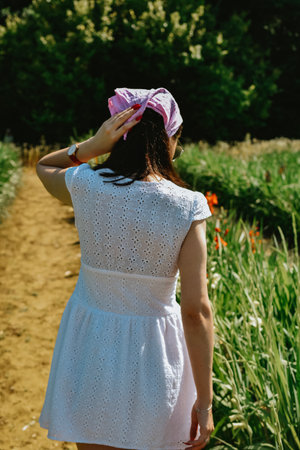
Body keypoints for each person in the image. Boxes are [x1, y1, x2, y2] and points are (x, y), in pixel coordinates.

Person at [36, 87, 215, 450]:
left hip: (90, 349)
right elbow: (196, 312)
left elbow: (44, 166)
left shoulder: (84, 184)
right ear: (172, 137)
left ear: (117, 133)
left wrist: (90, 146)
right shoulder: (188, 206)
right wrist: (206, 401)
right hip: (157, 359)